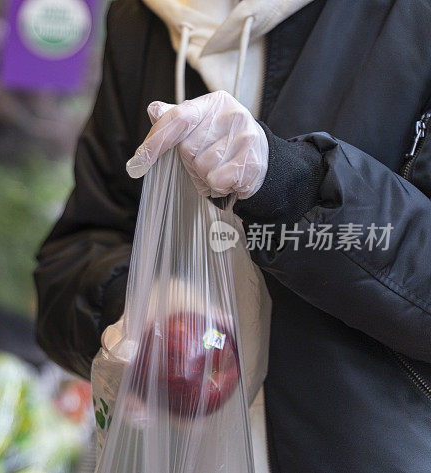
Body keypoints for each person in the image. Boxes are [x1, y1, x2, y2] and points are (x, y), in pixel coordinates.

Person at [34, 1, 431, 472]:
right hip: (174, 455)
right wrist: (134, 307)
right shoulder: (142, 18)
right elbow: (74, 254)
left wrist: (292, 186)